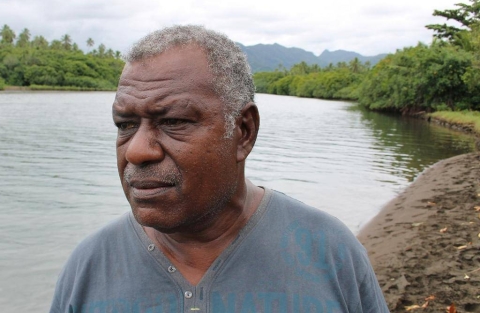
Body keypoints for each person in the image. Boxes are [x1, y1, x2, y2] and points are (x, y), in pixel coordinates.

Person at [50, 25, 389, 313]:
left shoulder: (328, 252)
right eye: (125, 125)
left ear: (243, 132)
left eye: (173, 121)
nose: (137, 151)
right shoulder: (90, 268)